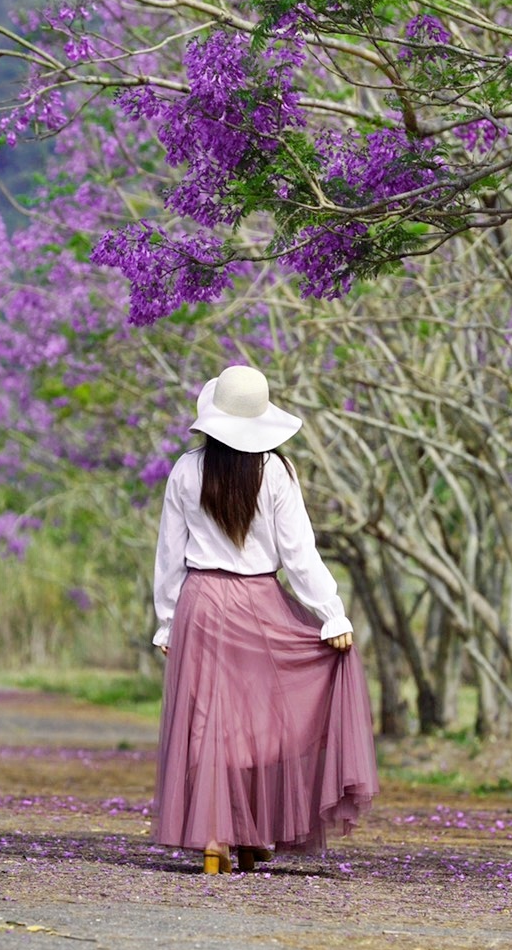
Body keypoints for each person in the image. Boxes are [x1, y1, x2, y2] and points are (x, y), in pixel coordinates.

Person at [151, 365, 378, 875]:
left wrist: (167, 621)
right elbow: (299, 555)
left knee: (209, 722)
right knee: (259, 724)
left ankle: (218, 839)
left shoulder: (186, 470)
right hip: (259, 602)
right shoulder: (274, 471)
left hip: (202, 603)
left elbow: (169, 555)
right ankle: (247, 835)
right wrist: (331, 614)